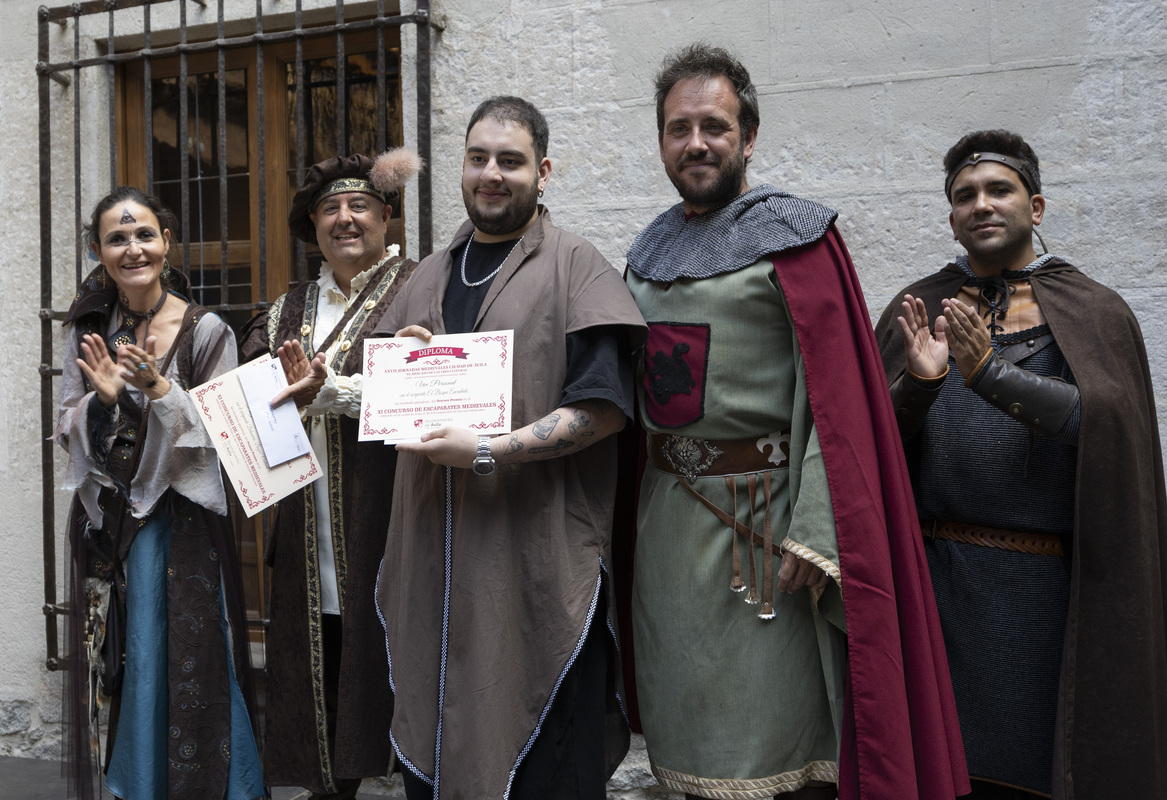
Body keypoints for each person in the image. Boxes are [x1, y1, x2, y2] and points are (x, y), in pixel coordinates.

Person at [624, 43, 967, 800]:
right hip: (671, 531)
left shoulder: (795, 238)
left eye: (715, 126)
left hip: (767, 527)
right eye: (678, 128)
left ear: (748, 136)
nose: (697, 143)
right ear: (660, 141)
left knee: (778, 744)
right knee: (686, 740)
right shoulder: (645, 251)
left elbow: (839, 406)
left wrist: (816, 531)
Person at [876, 130, 1167, 799]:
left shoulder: (1096, 313)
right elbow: (875, 449)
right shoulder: (920, 308)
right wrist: (922, 383)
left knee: (1047, 774)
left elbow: (1106, 427)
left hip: (1051, 599)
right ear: (951, 218)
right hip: (942, 591)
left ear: (1038, 206)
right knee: (944, 777)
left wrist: (989, 373)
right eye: (965, 196)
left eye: (999, 190)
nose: (982, 205)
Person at [371, 96, 647, 800]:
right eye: (477, 158)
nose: (491, 174)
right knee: (434, 745)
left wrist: (489, 449)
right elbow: (383, 406)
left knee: (542, 766)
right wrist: (399, 369)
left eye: (511, 160)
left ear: (543, 171)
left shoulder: (578, 267)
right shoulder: (427, 276)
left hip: (535, 565)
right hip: (430, 570)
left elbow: (604, 410)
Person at [56, 186, 263, 800]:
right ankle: (136, 786)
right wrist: (103, 400)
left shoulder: (207, 332)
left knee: (182, 658)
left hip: (184, 528)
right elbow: (65, 423)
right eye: (117, 238)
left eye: (144, 234)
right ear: (98, 249)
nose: (133, 248)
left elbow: (227, 434)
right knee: (128, 663)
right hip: (110, 528)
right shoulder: (90, 330)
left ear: (167, 243)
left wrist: (163, 391)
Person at [238, 148, 419, 799]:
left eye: (359, 205)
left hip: (393, 532)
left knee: (412, 685)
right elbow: (247, 411)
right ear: (312, 224)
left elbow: (433, 395)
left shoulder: (419, 291)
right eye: (329, 208)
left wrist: (334, 390)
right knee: (326, 679)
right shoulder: (288, 310)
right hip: (307, 540)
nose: (345, 219)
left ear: (386, 216)